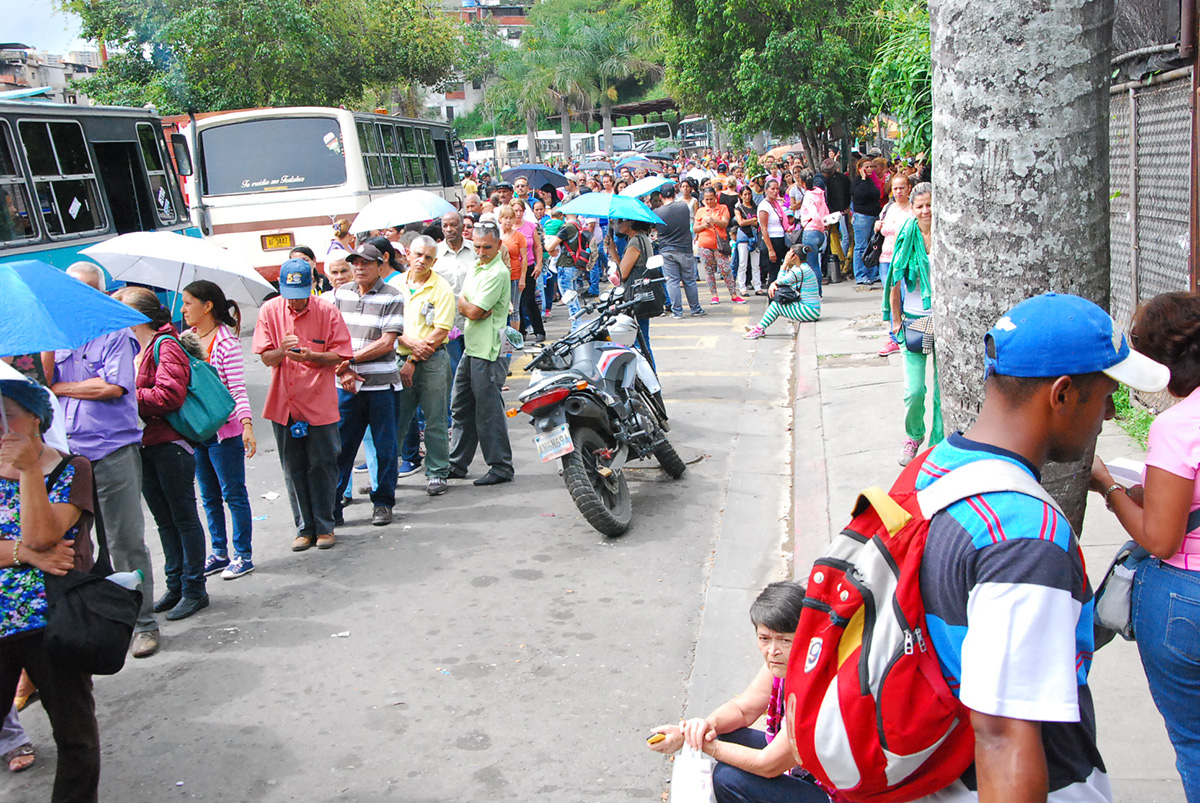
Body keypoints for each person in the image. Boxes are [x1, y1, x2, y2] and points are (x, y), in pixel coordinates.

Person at [910, 292, 1171, 803]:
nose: (1111, 413)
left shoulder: (933, 468)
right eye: (1106, 393)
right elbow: (1004, 734)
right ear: (1063, 394)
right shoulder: (1025, 535)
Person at [1090, 291, 1200, 800]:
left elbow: (1160, 537)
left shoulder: (1178, 427)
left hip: (1185, 597)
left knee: (1195, 743)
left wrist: (1110, 488)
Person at [49, 262, 161, 657]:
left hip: (113, 450)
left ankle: (144, 623)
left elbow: (112, 388)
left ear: (98, 293)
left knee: (124, 542)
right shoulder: (57, 339)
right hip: (70, 455)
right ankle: (93, 619)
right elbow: (46, 384)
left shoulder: (115, 336)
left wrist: (64, 387)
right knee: (77, 545)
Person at [0, 377, 101, 802]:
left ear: (35, 420)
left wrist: (27, 471)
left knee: (76, 737)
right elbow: (37, 548)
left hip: (52, 622)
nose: (1, 427)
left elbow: (43, 535)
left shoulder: (72, 468)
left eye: (8, 417)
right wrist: (26, 555)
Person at [648, 582, 831, 803]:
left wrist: (701, 743)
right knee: (722, 732)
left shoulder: (817, 685)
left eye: (784, 640)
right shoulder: (782, 662)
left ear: (805, 637)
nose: (772, 650)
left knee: (727, 778)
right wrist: (699, 729)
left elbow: (768, 765)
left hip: (834, 793)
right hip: (807, 768)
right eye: (764, 639)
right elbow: (744, 709)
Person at [113, 287, 209, 621]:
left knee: (183, 518)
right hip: (144, 444)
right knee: (163, 520)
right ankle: (176, 583)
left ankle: (195, 588)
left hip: (170, 444)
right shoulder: (132, 347)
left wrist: (124, 394)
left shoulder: (165, 345)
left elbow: (169, 396)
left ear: (137, 316)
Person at [252, 258, 353, 551]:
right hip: (284, 400)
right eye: (289, 296)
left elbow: (341, 354)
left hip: (318, 400)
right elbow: (265, 357)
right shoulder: (270, 311)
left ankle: (325, 525)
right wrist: (281, 352)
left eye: (300, 295)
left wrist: (311, 355)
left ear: (312, 287)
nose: (294, 303)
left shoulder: (326, 311)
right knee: (292, 466)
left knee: (322, 463)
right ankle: (304, 527)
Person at [180, 280, 257, 580]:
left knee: (233, 494)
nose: (184, 309)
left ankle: (243, 554)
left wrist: (247, 426)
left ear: (207, 305)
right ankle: (219, 552)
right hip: (197, 431)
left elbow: (237, 388)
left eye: (189, 303)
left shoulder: (227, 342)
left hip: (225, 432)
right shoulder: (185, 339)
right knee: (209, 496)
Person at [329, 244, 404, 528]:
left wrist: (348, 360)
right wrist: (344, 369)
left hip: (381, 385)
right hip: (346, 385)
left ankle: (383, 502)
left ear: (379, 266)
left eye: (365, 263)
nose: (359, 268)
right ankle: (333, 505)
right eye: (355, 263)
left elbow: (387, 342)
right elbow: (332, 334)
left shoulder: (392, 296)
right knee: (341, 448)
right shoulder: (342, 293)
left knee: (385, 448)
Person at [388, 235, 456, 497]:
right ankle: (386, 475)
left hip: (432, 360)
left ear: (435, 260)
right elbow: (388, 324)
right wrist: (407, 344)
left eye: (428, 257)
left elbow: (441, 331)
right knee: (397, 420)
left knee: (435, 418)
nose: (422, 261)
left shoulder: (441, 288)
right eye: (417, 255)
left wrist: (414, 358)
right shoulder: (395, 285)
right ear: (407, 254)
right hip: (398, 359)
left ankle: (438, 472)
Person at [448, 222, 515, 486]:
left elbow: (474, 310)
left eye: (487, 247)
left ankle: (501, 466)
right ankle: (457, 463)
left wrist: (469, 306)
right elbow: (467, 303)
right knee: (461, 406)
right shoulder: (478, 267)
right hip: (472, 346)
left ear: (498, 245)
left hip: (489, 351)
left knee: (487, 412)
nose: (481, 251)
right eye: (477, 246)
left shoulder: (497, 271)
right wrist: (469, 306)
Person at [881, 183, 940, 465]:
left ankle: (939, 444)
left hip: (944, 321)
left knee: (943, 390)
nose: (926, 210)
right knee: (914, 390)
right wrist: (895, 321)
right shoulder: (907, 235)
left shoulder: (948, 234)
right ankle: (913, 435)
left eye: (930, 204)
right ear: (913, 209)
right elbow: (894, 279)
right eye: (920, 206)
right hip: (914, 321)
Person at [605, 217, 658, 371]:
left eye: (620, 221)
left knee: (639, 343)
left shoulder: (635, 241)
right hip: (642, 294)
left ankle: (650, 380)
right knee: (642, 340)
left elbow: (622, 274)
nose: (617, 225)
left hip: (635, 297)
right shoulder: (642, 238)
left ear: (631, 222)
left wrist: (613, 251)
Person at [743, 245, 821, 340]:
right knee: (777, 304)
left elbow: (780, 281)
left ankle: (759, 329)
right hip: (811, 309)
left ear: (794, 256)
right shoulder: (803, 268)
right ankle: (760, 327)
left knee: (776, 306)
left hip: (809, 310)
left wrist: (785, 263)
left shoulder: (799, 271)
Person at [875, 173, 915, 356]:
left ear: (909, 189)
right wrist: (878, 226)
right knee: (892, 299)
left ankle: (909, 334)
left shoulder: (913, 209)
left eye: (901, 187)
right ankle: (894, 337)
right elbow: (883, 229)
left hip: (905, 260)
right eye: (895, 188)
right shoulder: (889, 208)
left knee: (906, 297)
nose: (898, 191)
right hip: (886, 259)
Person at [655, 183, 705, 319]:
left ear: (660, 196)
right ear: (674, 193)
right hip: (685, 248)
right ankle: (695, 308)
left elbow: (654, 228)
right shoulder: (683, 206)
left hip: (666, 249)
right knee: (689, 280)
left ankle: (677, 311)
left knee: (672, 281)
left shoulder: (657, 212)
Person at [695, 187, 744, 305]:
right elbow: (695, 229)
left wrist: (713, 220)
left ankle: (733, 294)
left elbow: (725, 223)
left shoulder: (723, 208)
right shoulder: (700, 211)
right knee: (708, 270)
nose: (709, 202)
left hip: (719, 245)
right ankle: (714, 295)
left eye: (711, 199)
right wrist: (703, 226)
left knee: (725, 269)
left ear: (716, 198)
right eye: (707, 199)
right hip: (704, 245)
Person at [511, 198, 546, 343]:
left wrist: (539, 265)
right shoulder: (506, 228)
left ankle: (539, 331)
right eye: (515, 211)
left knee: (529, 299)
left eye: (521, 211)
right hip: (513, 268)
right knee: (514, 302)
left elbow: (538, 246)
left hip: (529, 266)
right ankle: (520, 331)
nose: (518, 214)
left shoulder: (530, 226)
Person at [544, 212, 587, 323]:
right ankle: (578, 325)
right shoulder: (577, 225)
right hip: (574, 265)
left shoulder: (567, 227)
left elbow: (549, 246)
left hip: (565, 266)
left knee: (570, 301)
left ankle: (576, 327)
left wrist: (546, 239)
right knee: (574, 299)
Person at [850, 157, 883, 287]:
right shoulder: (858, 182)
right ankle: (860, 274)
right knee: (861, 246)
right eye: (867, 167)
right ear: (860, 169)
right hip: (862, 216)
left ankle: (872, 273)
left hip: (873, 215)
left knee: (873, 245)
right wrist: (863, 178)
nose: (870, 169)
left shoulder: (872, 181)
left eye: (871, 167)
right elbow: (860, 195)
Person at [757, 179, 793, 287]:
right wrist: (770, 250)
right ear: (766, 190)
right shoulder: (764, 206)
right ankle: (772, 299)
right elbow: (764, 229)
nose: (775, 191)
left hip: (780, 239)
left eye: (777, 188)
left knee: (780, 271)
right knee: (773, 273)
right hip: (771, 241)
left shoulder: (776, 204)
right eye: (772, 189)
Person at [497, 205, 528, 329]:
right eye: (505, 218)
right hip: (499, 276)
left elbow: (524, 258)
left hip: (514, 276)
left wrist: (522, 278)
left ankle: (514, 339)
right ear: (500, 219)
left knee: (514, 309)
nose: (508, 221)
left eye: (511, 218)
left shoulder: (519, 236)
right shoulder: (497, 236)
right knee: (502, 309)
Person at [797, 174, 829, 288]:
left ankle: (816, 291)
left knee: (811, 265)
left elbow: (814, 214)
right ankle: (818, 291)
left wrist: (818, 223)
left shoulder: (808, 196)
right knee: (816, 264)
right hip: (820, 232)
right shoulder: (820, 194)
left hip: (810, 230)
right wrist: (823, 226)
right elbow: (825, 211)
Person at [734, 186, 762, 297]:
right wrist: (752, 220)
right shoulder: (739, 208)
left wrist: (750, 221)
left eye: (749, 194)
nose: (747, 196)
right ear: (741, 196)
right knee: (743, 264)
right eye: (744, 194)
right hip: (743, 237)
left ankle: (757, 286)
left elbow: (758, 222)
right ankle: (742, 286)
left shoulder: (755, 207)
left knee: (756, 265)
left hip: (754, 237)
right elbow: (740, 222)